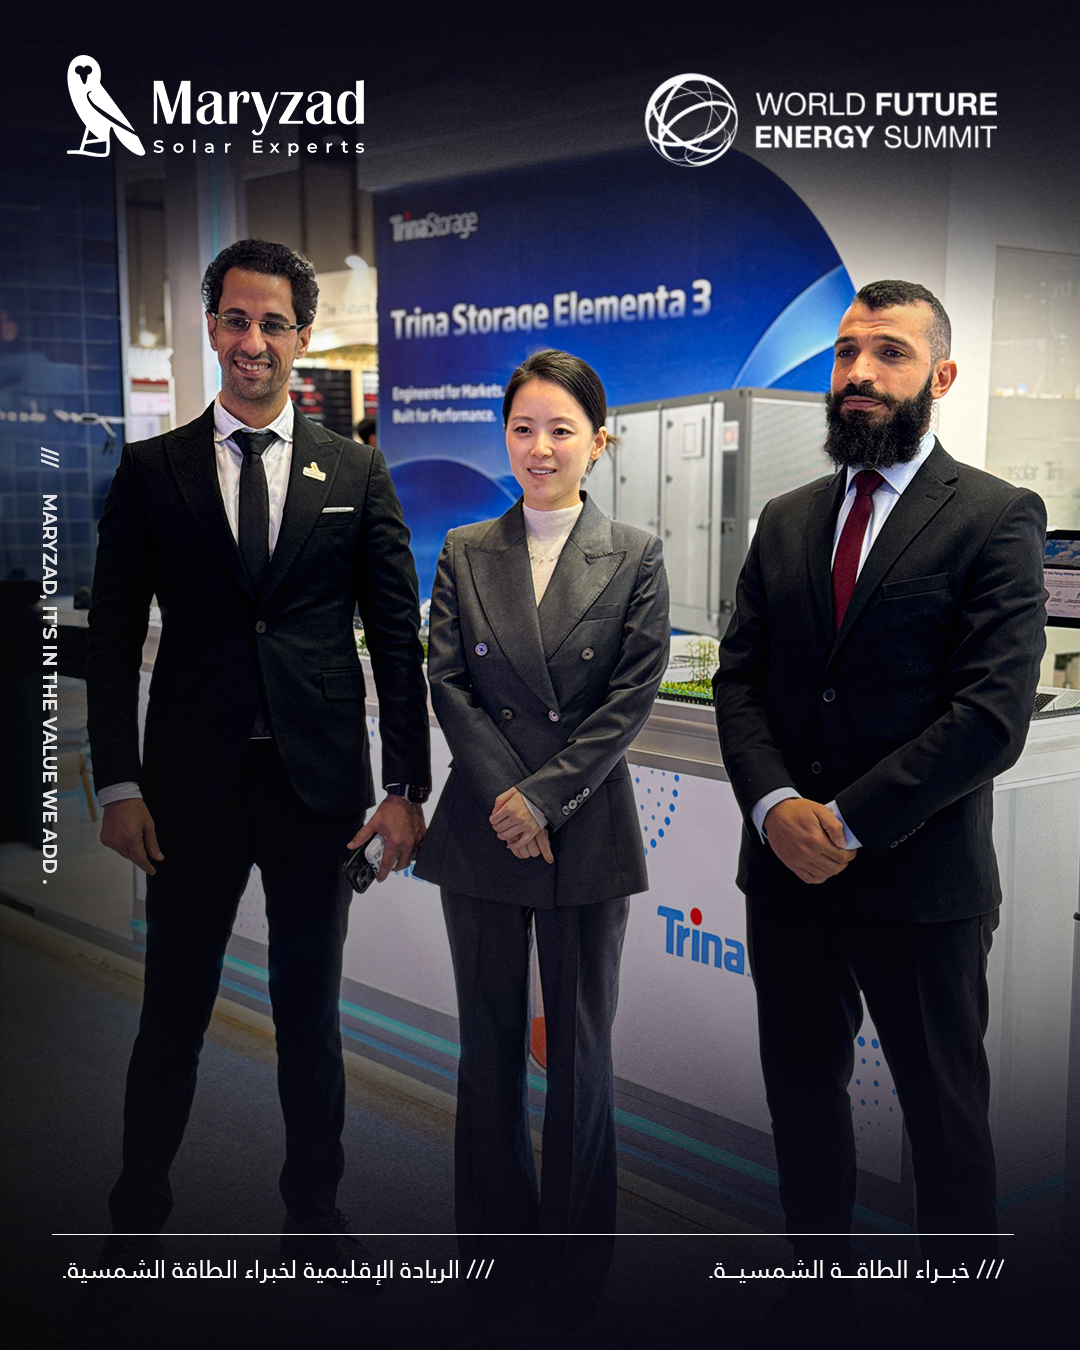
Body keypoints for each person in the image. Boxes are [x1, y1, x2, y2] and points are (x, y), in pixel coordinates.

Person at [86, 239, 430, 1265]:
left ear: (302, 337)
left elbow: (396, 637)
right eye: (235, 320)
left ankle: (314, 1216)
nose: (253, 341)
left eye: (273, 323)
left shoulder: (355, 469)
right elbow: (112, 639)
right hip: (186, 792)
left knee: (309, 1015)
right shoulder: (152, 470)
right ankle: (136, 1217)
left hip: (314, 791)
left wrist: (406, 786)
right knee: (172, 1011)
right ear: (211, 326)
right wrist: (116, 781)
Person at [713, 280, 1047, 1265]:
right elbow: (741, 682)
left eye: (890, 352)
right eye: (847, 350)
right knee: (802, 1100)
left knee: (944, 1123)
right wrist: (776, 806)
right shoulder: (785, 518)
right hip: (786, 877)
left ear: (941, 377)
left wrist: (844, 822)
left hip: (919, 881)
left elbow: (990, 716)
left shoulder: (994, 515)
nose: (860, 371)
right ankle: (815, 1298)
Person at [414, 350, 670, 1324]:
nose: (540, 447)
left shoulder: (635, 553)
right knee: (485, 1056)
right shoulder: (465, 548)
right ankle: (491, 1256)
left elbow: (629, 698)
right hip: (485, 829)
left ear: (598, 443)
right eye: (523, 428)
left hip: (584, 827)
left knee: (581, 1060)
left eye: (561, 429)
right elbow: (449, 682)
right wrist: (509, 799)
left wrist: (544, 800)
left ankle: (570, 1273)